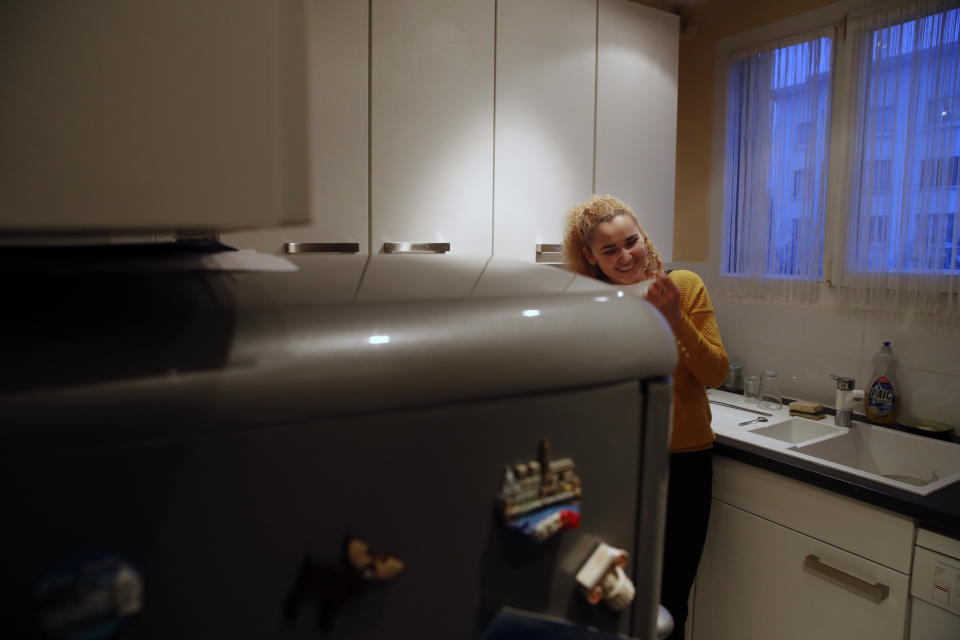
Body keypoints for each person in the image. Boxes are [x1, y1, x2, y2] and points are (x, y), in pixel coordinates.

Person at [563, 194, 729, 639]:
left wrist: (676, 319)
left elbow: (715, 372)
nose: (625, 256)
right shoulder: (590, 302)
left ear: (644, 237)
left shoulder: (684, 286)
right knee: (612, 595)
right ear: (590, 257)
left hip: (684, 466)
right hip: (616, 468)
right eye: (609, 249)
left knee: (669, 601)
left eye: (631, 242)